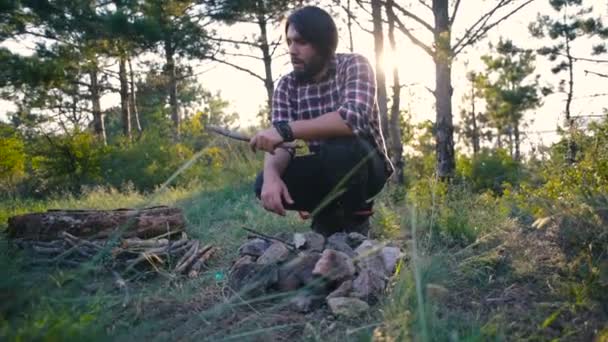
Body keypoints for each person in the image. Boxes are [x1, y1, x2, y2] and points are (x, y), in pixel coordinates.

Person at [250, 6, 393, 236]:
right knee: (262, 182)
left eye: (301, 42)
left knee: (340, 147)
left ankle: (356, 220)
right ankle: (326, 213)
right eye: (289, 42)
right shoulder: (286, 86)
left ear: (324, 43)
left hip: (365, 165)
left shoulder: (354, 65)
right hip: (323, 166)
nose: (292, 50)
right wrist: (271, 176)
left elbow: (351, 120)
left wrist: (287, 130)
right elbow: (283, 146)